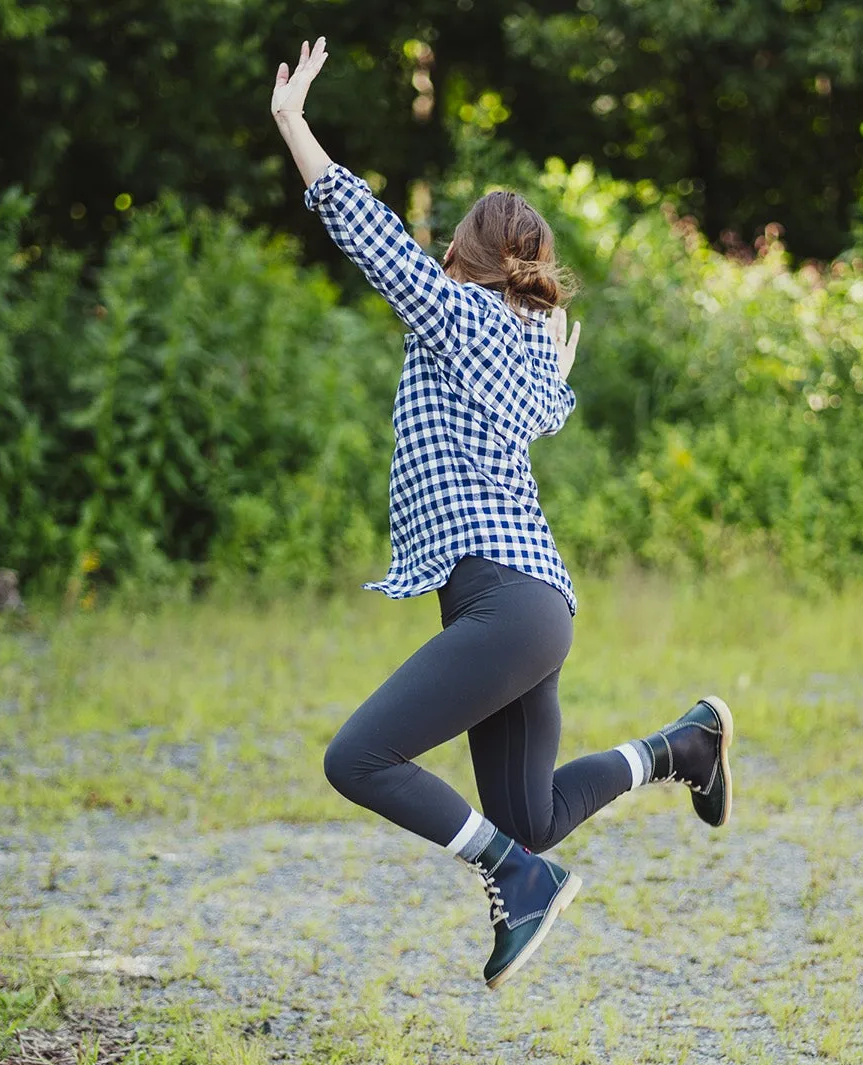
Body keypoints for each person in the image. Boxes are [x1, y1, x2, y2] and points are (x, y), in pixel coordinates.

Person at [272, 38, 734, 989]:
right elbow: (534, 403)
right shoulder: (531, 347)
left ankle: (512, 876)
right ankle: (683, 745)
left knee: (358, 757)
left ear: (460, 258)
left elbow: (367, 232)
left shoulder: (457, 314)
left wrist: (295, 125)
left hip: (500, 600)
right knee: (530, 813)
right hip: (536, 608)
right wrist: (550, 374)